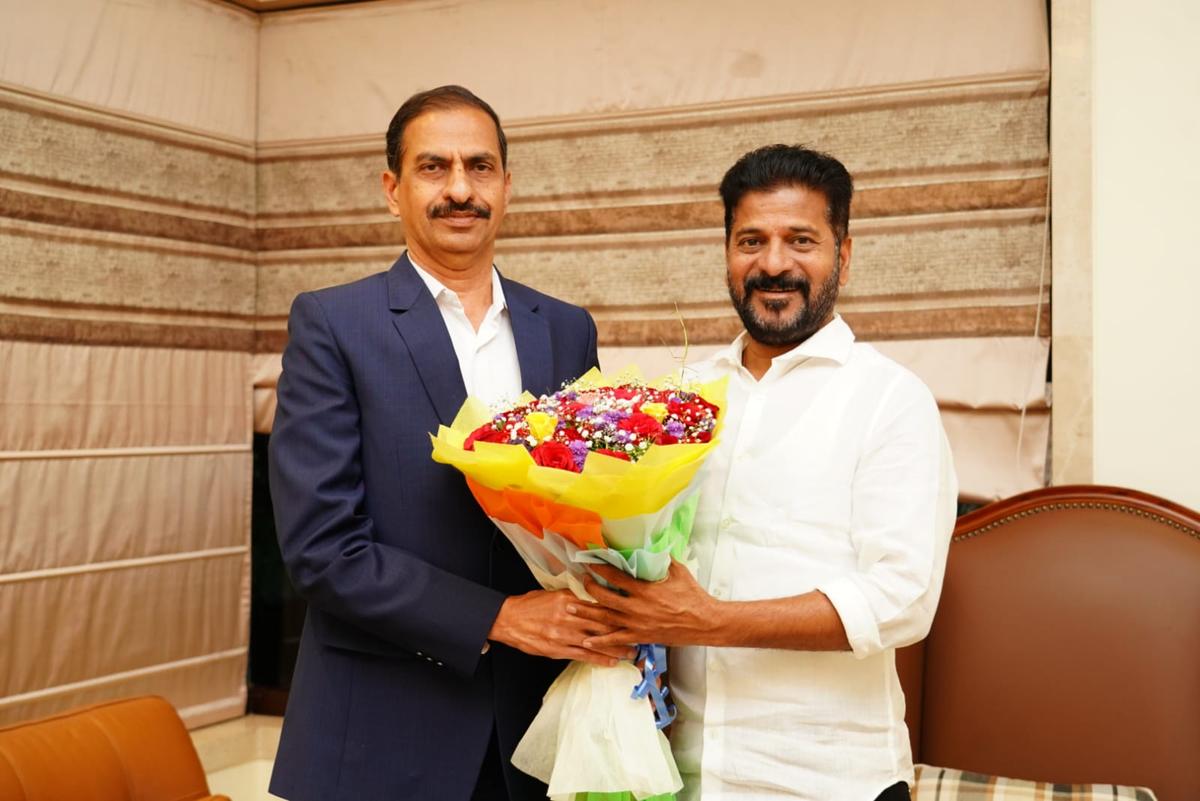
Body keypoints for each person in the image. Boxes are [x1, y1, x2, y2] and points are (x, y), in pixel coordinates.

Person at [267, 85, 627, 801]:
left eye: (480, 167)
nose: (460, 188)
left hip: (532, 732)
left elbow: (593, 504)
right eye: (434, 168)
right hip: (379, 731)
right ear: (392, 190)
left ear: (507, 185)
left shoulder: (565, 328)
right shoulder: (333, 324)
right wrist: (501, 618)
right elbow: (322, 548)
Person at [575, 145, 958, 801]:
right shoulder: (680, 400)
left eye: (800, 240)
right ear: (726, 251)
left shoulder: (891, 399)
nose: (773, 263)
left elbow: (902, 599)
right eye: (751, 240)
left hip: (828, 782)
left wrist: (711, 619)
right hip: (674, 771)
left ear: (844, 254)